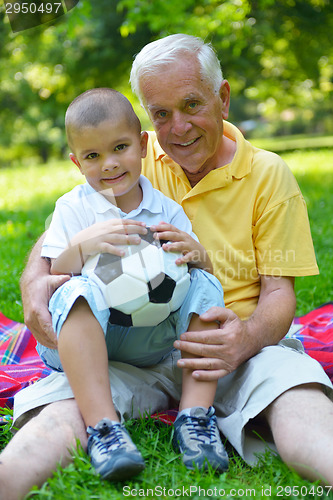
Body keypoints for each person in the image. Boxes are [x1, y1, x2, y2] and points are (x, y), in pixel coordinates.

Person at [1, 34, 333, 499]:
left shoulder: (268, 174)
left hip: (227, 343)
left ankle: (208, 420)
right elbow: (63, 231)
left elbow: (280, 296)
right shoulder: (128, 159)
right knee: (54, 423)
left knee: (298, 406)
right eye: (161, 113)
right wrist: (36, 283)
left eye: (192, 104)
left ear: (223, 98)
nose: (178, 128)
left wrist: (246, 339)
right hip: (124, 348)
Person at [35, 87, 228, 480]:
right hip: (82, 341)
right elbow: (56, 269)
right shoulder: (74, 208)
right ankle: (105, 429)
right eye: (92, 156)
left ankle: (195, 419)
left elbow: (190, 272)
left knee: (205, 282)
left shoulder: (164, 209)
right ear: (77, 162)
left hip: (150, 342)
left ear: (142, 145)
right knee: (75, 290)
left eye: (119, 147)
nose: (108, 164)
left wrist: (198, 252)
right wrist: (83, 246)